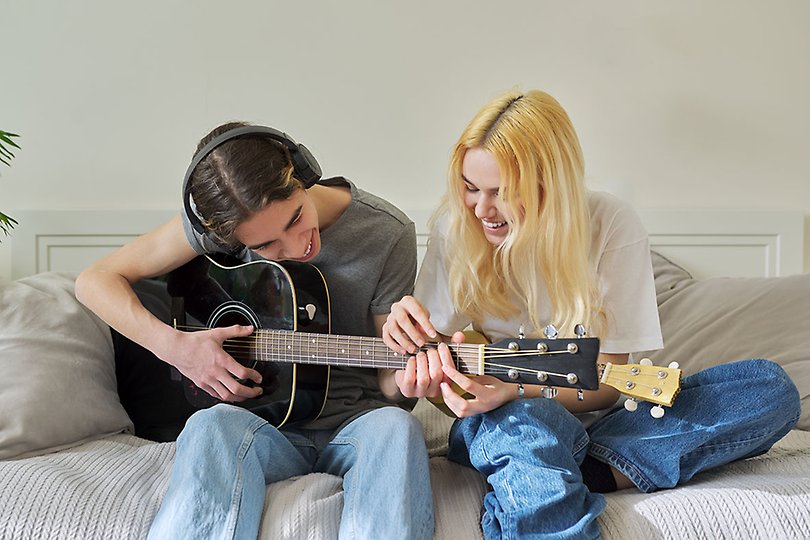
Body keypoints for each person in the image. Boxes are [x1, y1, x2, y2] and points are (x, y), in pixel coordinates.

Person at [382, 90, 801, 539]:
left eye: (502, 193)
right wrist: (407, 371)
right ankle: (563, 475)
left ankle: (578, 473)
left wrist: (514, 385)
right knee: (522, 423)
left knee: (767, 389)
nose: (481, 209)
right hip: (509, 423)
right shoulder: (457, 231)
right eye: (470, 188)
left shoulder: (610, 224)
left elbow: (606, 387)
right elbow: (397, 382)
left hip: (604, 424)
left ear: (550, 184)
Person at [75, 122, 434, 539]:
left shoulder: (387, 232)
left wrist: (411, 382)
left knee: (398, 427)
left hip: (357, 424)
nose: (296, 245)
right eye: (265, 246)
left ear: (302, 173)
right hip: (261, 427)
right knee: (209, 427)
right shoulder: (220, 227)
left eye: (296, 217)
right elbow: (94, 280)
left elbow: (389, 380)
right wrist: (176, 348)